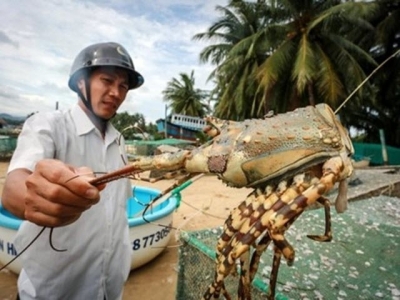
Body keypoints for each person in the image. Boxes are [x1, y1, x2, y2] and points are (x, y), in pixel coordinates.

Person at [1, 42, 144, 300]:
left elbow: (117, 211)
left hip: (109, 290)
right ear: (81, 83)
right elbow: (14, 190)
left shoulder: (119, 140)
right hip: (52, 292)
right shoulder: (48, 125)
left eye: (123, 86)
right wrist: (36, 197)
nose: (116, 93)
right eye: (107, 81)